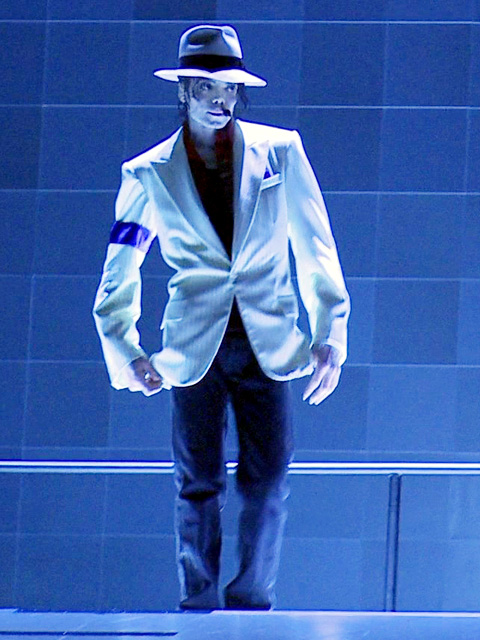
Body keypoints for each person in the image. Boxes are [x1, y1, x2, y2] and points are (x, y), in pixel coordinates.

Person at [93, 24, 350, 611]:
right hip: (192, 345)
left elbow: (316, 245)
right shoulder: (148, 171)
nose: (220, 98)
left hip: (271, 340)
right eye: (207, 86)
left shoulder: (280, 150)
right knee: (197, 483)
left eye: (230, 87)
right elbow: (121, 264)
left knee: (270, 480)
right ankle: (199, 603)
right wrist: (123, 346)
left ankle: (252, 600)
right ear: (184, 89)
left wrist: (331, 333)